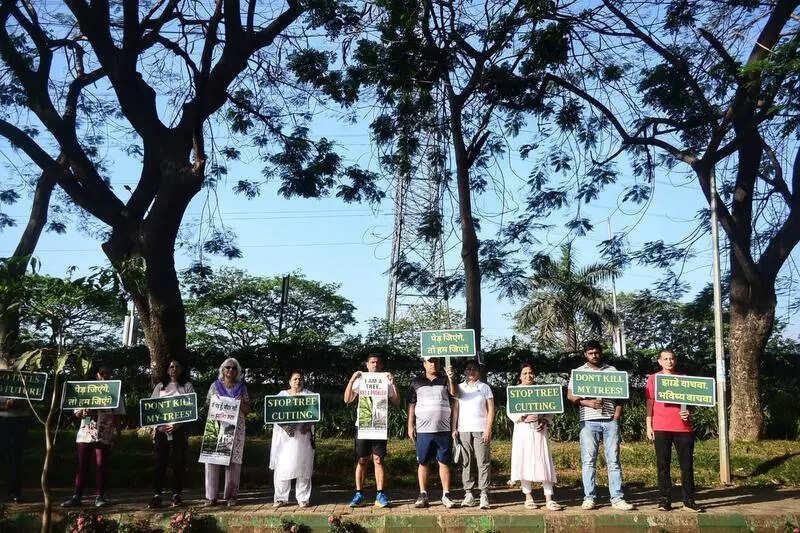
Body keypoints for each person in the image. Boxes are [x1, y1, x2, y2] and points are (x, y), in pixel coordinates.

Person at [567, 340, 634, 511]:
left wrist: (616, 415)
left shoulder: (612, 371)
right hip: (588, 421)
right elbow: (570, 395)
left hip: (610, 421)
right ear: (585, 355)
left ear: (600, 353)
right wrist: (588, 403)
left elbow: (622, 396)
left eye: (596, 352)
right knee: (588, 461)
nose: (594, 355)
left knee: (614, 460)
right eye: (590, 353)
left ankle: (617, 498)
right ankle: (589, 497)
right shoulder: (579, 372)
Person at [646, 349, 702, 513]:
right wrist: (648, 425)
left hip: (683, 428)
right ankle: (664, 500)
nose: (669, 361)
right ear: (659, 361)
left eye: (671, 358)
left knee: (687, 466)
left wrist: (688, 412)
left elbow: (692, 403)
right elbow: (649, 403)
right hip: (661, 427)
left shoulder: (683, 379)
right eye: (665, 359)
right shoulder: (653, 379)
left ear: (675, 361)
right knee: (663, 465)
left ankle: (689, 500)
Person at [62, 364, 125, 508]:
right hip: (85, 432)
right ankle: (77, 497)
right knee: (82, 465)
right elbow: (76, 411)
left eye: (108, 373)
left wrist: (118, 434)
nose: (105, 376)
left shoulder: (115, 390)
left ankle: (100, 497)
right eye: (103, 373)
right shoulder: (86, 389)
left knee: (101, 464)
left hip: (104, 433)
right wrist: (81, 413)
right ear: (97, 374)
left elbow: (118, 416)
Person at [344, 353, 400, 508]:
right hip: (363, 424)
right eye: (372, 362)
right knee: (362, 460)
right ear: (367, 365)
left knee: (378, 460)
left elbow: (396, 401)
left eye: (377, 362)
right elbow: (347, 399)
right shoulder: (360, 380)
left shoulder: (386, 380)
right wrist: (351, 380)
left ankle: (380, 494)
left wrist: (393, 383)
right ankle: (358, 493)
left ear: (381, 366)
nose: (375, 365)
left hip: (379, 425)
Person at [508, 362, 564, 511]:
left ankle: (549, 498)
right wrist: (523, 418)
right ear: (520, 376)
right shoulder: (515, 392)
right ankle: (528, 497)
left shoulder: (541, 391)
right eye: (525, 373)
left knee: (543, 461)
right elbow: (511, 412)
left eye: (530, 372)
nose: (528, 375)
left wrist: (545, 420)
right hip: (523, 431)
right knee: (524, 461)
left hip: (540, 431)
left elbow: (551, 409)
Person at [407, 356, 458, 509]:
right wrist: (410, 425)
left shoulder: (445, 379)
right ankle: (423, 494)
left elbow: (454, 394)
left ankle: (446, 495)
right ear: (424, 364)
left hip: (443, 429)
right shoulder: (416, 381)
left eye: (436, 361)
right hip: (423, 430)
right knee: (423, 462)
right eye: (430, 361)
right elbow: (411, 405)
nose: (433, 364)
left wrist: (451, 378)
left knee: (444, 462)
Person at [147, 359, 195, 509]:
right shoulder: (160, 387)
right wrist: (159, 426)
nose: (174, 368)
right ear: (167, 370)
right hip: (161, 431)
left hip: (179, 431)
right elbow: (151, 408)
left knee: (178, 463)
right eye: (171, 366)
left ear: (181, 369)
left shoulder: (187, 386)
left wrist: (177, 425)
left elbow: (191, 409)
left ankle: (176, 495)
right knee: (160, 462)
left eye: (177, 366)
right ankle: (157, 495)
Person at [204, 357, 250, 507]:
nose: (231, 370)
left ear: (238, 371)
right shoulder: (215, 386)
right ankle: (211, 497)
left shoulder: (241, 387)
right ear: (222, 370)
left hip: (235, 427)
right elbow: (207, 405)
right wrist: (215, 402)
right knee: (212, 460)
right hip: (216, 426)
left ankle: (231, 496)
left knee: (233, 462)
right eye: (228, 367)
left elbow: (247, 410)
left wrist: (240, 402)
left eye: (234, 368)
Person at [270, 369, 316, 508]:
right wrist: (285, 427)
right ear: (289, 381)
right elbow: (273, 414)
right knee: (283, 466)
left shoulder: (309, 395)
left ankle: (303, 498)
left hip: (303, 436)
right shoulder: (281, 395)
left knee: (303, 465)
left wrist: (308, 424)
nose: (298, 381)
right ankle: (280, 498)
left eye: (300, 378)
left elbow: (315, 413)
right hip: (285, 438)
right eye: (295, 379)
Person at [452, 360, 493, 509]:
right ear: (464, 371)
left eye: (474, 369)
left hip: (481, 428)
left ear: (478, 372)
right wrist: (454, 428)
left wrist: (488, 428)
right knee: (466, 462)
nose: (471, 372)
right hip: (463, 429)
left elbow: (491, 410)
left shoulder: (485, 387)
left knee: (483, 461)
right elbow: (455, 409)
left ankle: (484, 494)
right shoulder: (459, 388)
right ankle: (468, 493)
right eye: (468, 369)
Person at [0, 362, 31, 504]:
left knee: (16, 458)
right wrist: (5, 406)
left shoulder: (24, 375)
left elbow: (33, 399)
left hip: (20, 420)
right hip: (2, 420)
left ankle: (15, 493)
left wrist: (17, 404)